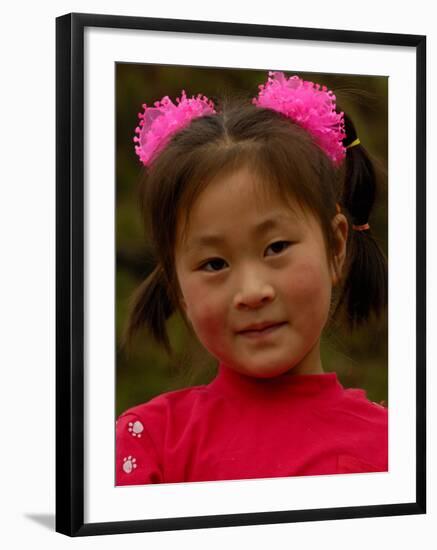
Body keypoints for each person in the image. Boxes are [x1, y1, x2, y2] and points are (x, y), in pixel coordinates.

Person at [116, 71, 388, 485]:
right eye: (214, 264)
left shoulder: (400, 448)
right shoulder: (149, 445)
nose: (252, 292)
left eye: (276, 247)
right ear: (179, 287)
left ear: (335, 246)